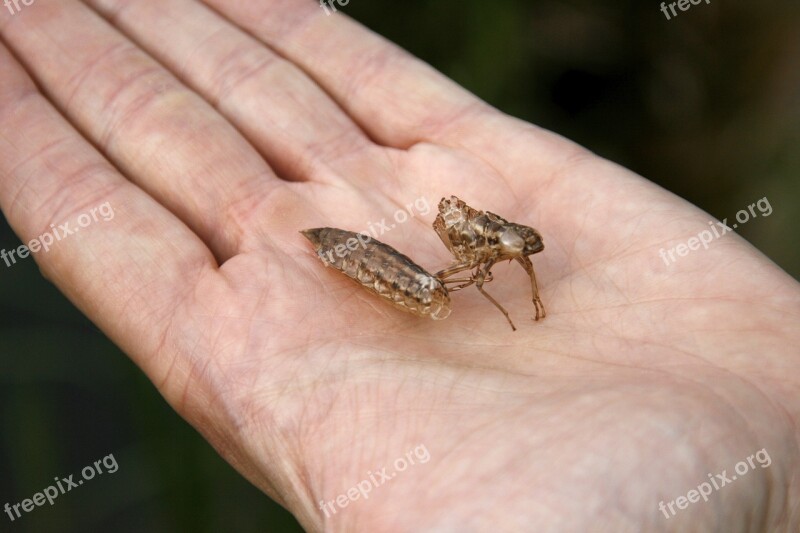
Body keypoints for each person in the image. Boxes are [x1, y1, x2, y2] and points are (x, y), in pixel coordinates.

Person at [0, 1, 797, 531]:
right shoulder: (481, 254)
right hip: (372, 254)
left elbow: (502, 272)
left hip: (408, 264)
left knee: (427, 288)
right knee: (411, 281)